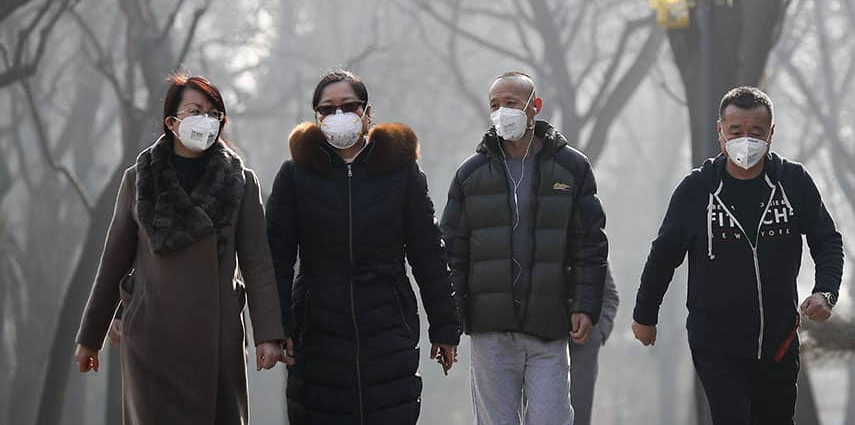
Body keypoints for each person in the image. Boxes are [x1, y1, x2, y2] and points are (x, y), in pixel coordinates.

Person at [74, 74, 286, 425]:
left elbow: (257, 262)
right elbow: (113, 262)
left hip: (217, 338)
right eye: (195, 110)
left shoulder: (241, 181)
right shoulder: (139, 179)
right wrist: (89, 339)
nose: (206, 119)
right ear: (172, 122)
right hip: (151, 337)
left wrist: (268, 335)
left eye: (213, 112)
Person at [631, 86, 844, 425]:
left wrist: (825, 291)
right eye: (736, 131)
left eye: (756, 132)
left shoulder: (793, 182)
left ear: (771, 133)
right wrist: (645, 315)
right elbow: (663, 256)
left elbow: (827, 240)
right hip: (716, 342)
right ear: (720, 132)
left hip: (779, 340)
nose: (746, 140)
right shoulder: (696, 190)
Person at [266, 69, 460, 424]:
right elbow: (276, 258)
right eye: (327, 109)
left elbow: (429, 253)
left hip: (388, 326)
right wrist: (278, 328)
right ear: (316, 118)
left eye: (348, 106)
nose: (338, 115)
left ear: (367, 113)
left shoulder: (401, 173)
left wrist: (445, 327)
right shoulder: (295, 175)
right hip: (317, 331)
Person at [441, 71, 609, 425]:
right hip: (490, 329)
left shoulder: (572, 168)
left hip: (549, 326)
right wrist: (449, 321)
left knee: (552, 418)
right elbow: (453, 252)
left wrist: (585, 306)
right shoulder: (470, 175)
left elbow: (590, 244)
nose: (503, 111)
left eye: (511, 103)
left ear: (535, 107)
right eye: (495, 105)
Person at [569, 268, 619, 425]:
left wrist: (599, 333)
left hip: (582, 353)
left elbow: (610, 296)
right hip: (542, 346)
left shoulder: (590, 247)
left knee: (579, 416)